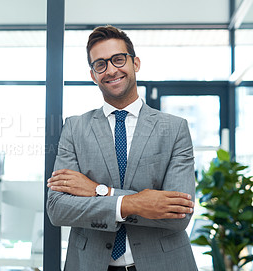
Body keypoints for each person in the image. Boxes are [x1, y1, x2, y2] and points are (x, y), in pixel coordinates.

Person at [46, 25, 197, 271]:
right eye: (100, 64)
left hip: (163, 263)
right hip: (90, 263)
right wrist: (138, 202)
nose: (111, 70)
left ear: (135, 63)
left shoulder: (174, 128)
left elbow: (178, 214)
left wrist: (100, 191)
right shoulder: (74, 128)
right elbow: (58, 209)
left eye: (118, 59)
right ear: (93, 75)